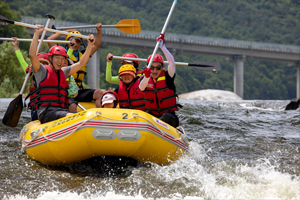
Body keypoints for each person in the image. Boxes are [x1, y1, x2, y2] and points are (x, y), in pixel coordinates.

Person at [29, 24, 96, 124]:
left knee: (77, 115)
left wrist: (90, 45)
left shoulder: (63, 72)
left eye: (62, 59)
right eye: (57, 58)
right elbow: (32, 55)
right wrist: (36, 34)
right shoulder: (41, 71)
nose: (60, 61)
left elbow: (81, 63)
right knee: (75, 117)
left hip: (61, 110)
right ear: (50, 58)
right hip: (46, 112)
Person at [47, 26, 103, 108]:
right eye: (73, 41)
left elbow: (97, 44)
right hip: (65, 91)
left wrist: (99, 31)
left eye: (78, 41)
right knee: (72, 106)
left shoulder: (83, 55)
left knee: (99, 93)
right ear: (67, 42)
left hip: (78, 91)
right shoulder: (60, 54)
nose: (76, 44)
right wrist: (66, 31)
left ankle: (100, 117)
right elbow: (50, 40)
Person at [139, 34, 180, 127]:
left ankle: (155, 127)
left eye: (158, 67)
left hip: (169, 117)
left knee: (166, 117)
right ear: (148, 68)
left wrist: (163, 47)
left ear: (162, 67)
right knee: (142, 116)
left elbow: (172, 64)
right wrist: (146, 76)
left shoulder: (167, 76)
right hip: (152, 116)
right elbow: (141, 88)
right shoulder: (144, 78)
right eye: (152, 67)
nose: (154, 70)